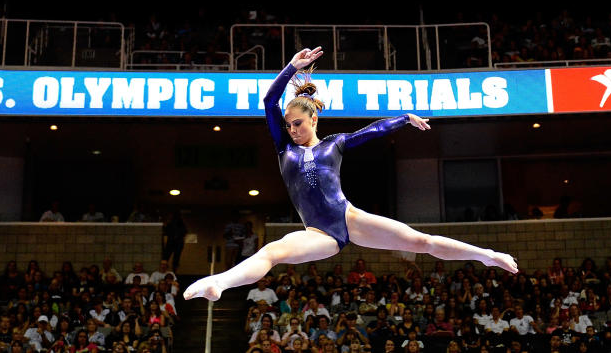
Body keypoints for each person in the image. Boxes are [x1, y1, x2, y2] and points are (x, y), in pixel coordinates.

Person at [183, 47, 517, 302]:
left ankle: (486, 256)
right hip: (319, 233)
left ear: (313, 120)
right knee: (271, 252)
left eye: (297, 123)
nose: (292, 129)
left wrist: (404, 118)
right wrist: (291, 69)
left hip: (350, 218)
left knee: (422, 241)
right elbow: (269, 101)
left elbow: (371, 131)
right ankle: (219, 283)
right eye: (288, 125)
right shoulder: (285, 150)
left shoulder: (334, 144)